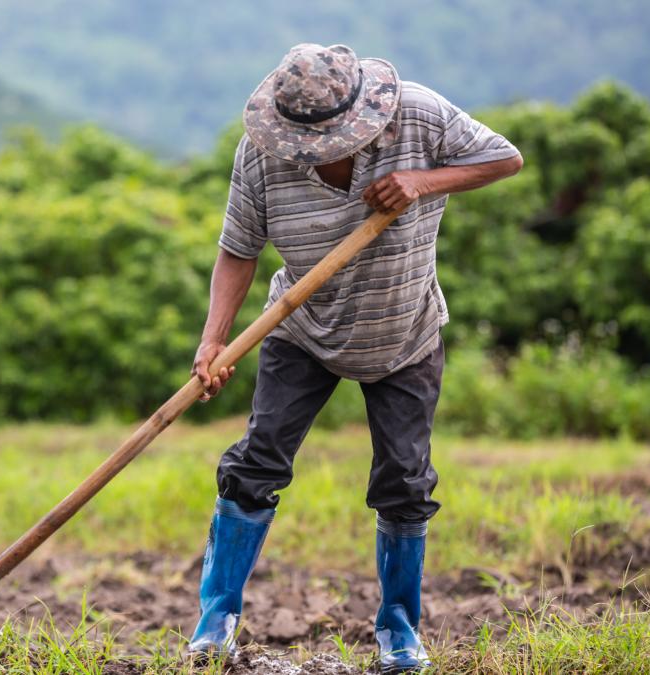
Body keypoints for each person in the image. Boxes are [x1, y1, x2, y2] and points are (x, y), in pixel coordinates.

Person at [187, 43, 523, 673]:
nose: (316, 154)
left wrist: (422, 181)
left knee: (404, 480)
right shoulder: (262, 154)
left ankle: (399, 634)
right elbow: (239, 249)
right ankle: (215, 623)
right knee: (256, 463)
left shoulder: (419, 116)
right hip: (301, 327)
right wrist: (214, 340)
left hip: (405, 331)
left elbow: (504, 158)